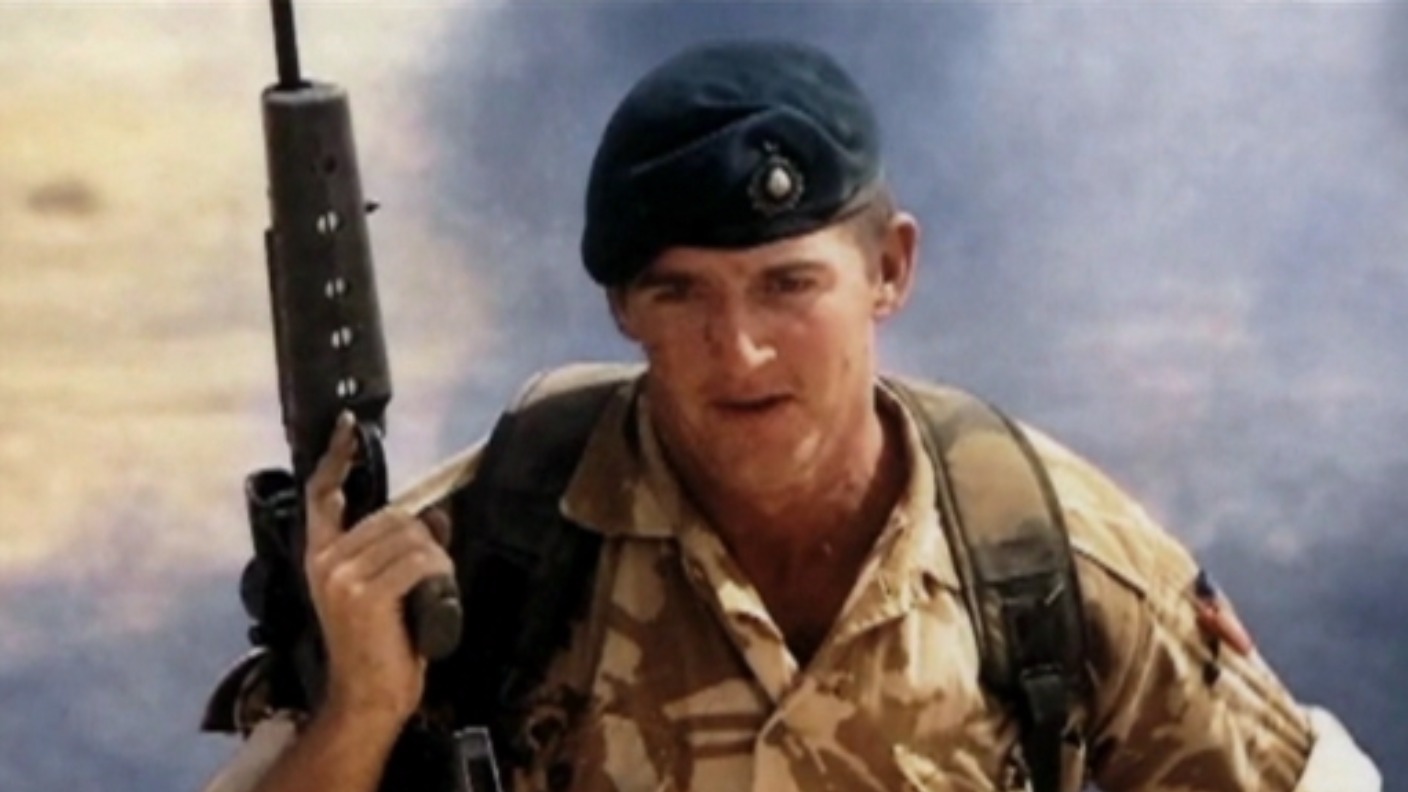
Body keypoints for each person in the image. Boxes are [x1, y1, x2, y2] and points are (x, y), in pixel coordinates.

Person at [201, 40, 1381, 792]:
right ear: (621, 308)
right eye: (682, 294)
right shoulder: (480, 559)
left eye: (787, 285)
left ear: (889, 270)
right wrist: (362, 711)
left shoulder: (1044, 563)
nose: (741, 350)